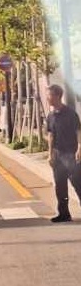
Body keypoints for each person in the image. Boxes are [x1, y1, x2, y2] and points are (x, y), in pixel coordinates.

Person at [46, 84, 81, 223]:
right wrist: (50, 154)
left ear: (57, 96)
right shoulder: (50, 116)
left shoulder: (70, 113)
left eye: (49, 95)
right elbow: (50, 135)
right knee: (60, 186)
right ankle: (64, 214)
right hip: (58, 155)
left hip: (71, 154)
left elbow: (78, 132)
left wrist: (79, 149)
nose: (48, 98)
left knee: (78, 184)